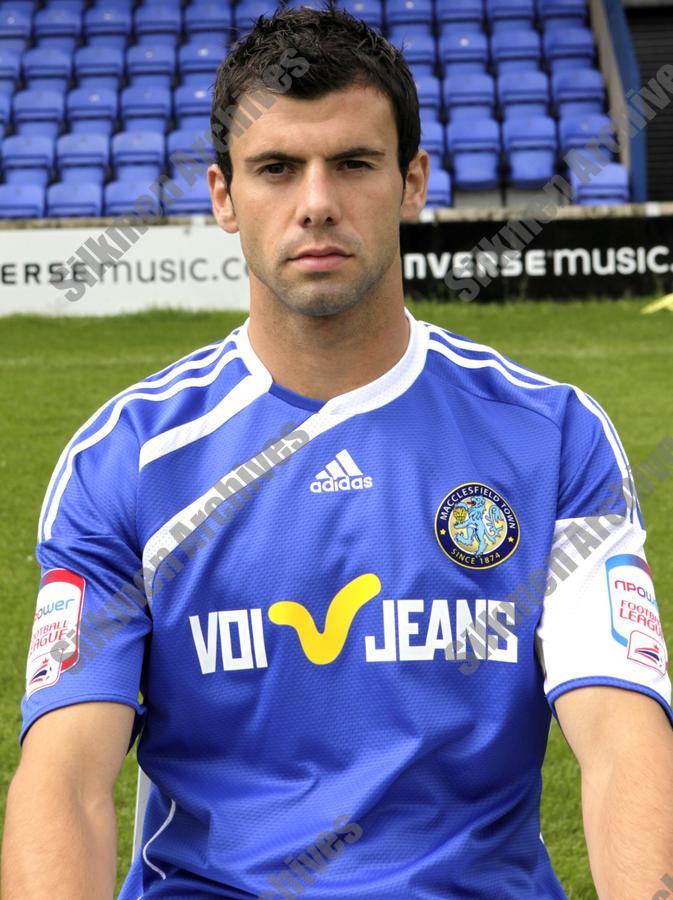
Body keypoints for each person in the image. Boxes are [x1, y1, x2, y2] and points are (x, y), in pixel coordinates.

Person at [3, 4, 673, 898]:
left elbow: (623, 743)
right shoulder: (129, 458)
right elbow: (66, 781)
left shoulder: (550, 437)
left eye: (353, 164)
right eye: (276, 168)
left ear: (411, 182)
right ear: (222, 196)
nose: (315, 202)